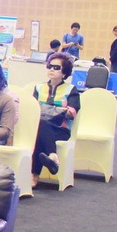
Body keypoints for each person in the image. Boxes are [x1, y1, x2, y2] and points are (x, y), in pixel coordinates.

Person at [32, 52, 81, 187]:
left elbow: (71, 113)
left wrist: (45, 109)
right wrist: (58, 110)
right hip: (40, 127)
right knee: (41, 128)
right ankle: (52, 156)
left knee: (41, 128)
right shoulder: (39, 87)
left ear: (64, 72)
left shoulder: (71, 90)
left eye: (56, 67)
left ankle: (34, 175)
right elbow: (32, 109)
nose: (51, 70)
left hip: (61, 130)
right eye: (50, 66)